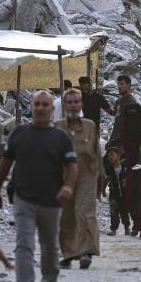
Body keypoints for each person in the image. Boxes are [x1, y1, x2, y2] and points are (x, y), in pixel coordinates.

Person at [0, 90, 78, 282]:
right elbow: (5, 164)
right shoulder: (19, 133)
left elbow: (72, 166)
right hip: (23, 199)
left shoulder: (61, 137)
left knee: (49, 247)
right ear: (31, 107)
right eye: (36, 104)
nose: (40, 108)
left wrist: (68, 186)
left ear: (52, 109)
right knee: (24, 244)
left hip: (51, 201)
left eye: (44, 105)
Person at [55, 89, 102, 270]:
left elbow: (97, 152)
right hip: (64, 176)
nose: (73, 105)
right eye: (70, 102)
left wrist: (101, 179)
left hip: (86, 175)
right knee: (66, 216)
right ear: (64, 106)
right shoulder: (58, 127)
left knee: (84, 212)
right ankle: (68, 254)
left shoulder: (90, 125)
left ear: (81, 105)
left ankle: (86, 252)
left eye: (76, 102)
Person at [103, 146, 130, 236]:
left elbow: (129, 179)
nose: (109, 157)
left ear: (118, 156)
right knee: (113, 212)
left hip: (124, 194)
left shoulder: (124, 167)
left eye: (112, 155)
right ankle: (113, 229)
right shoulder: (109, 169)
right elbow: (106, 180)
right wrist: (102, 190)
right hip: (113, 193)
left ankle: (127, 228)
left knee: (124, 211)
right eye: (108, 156)